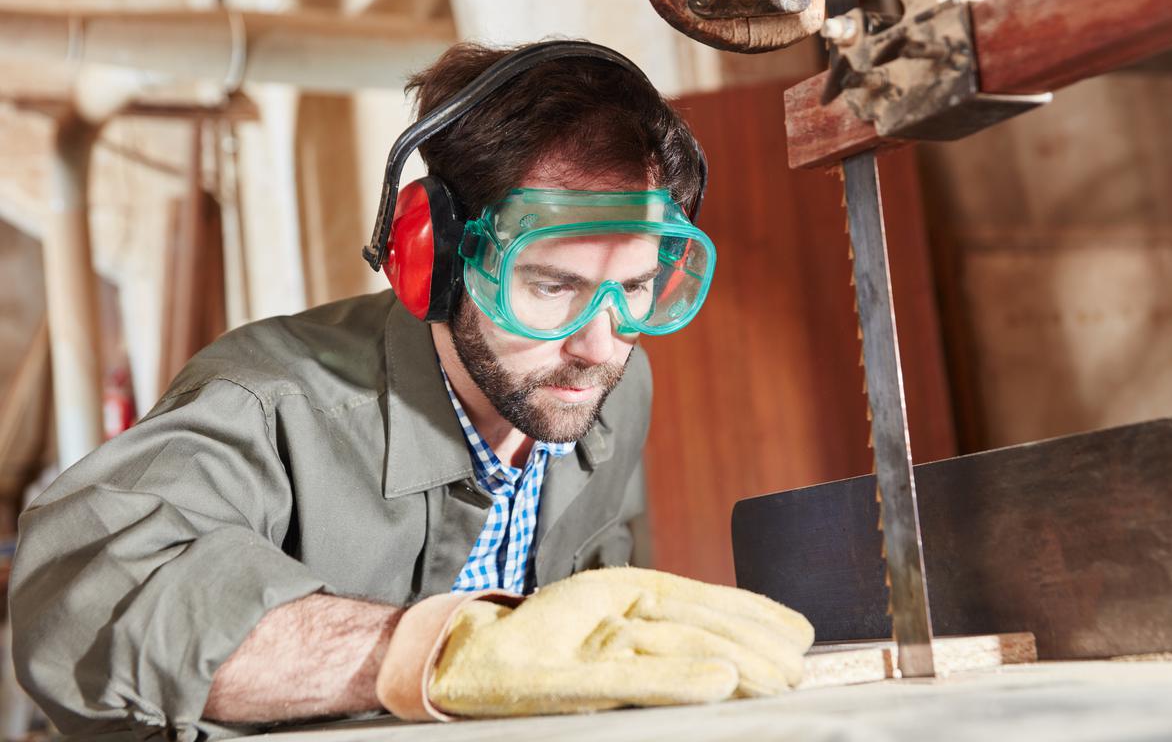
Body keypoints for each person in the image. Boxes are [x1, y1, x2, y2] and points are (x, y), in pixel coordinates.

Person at [10, 40, 810, 741]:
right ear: (435, 260)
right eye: (553, 287)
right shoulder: (274, 401)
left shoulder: (608, 396)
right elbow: (79, 599)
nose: (600, 345)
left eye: (633, 290)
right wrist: (445, 650)